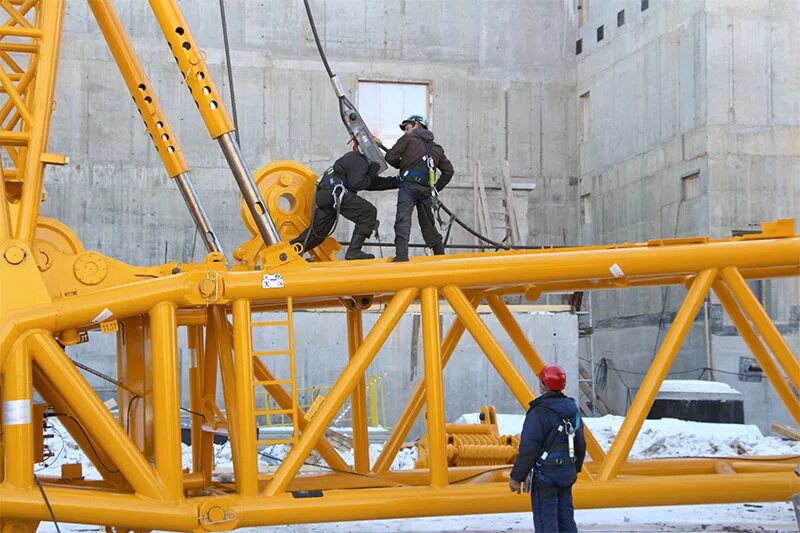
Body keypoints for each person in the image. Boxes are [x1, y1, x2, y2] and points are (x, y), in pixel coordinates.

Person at [509, 364, 586, 533]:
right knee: (566, 521)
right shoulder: (572, 410)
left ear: (543, 385)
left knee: (547, 523)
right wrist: (574, 469)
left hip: (545, 478)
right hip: (566, 474)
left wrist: (517, 477)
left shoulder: (539, 413)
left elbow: (529, 449)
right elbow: (580, 444)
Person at [384, 115, 454, 262]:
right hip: (426, 192)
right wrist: (435, 188)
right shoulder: (437, 148)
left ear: (416, 126)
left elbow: (390, 157)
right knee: (428, 225)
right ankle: (440, 258)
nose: (405, 131)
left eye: (407, 127)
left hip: (408, 187)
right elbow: (448, 171)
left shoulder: (408, 139)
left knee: (403, 221)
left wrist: (403, 165)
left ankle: (402, 258)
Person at [291, 147, 383, 260]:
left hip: (325, 195)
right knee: (368, 211)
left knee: (317, 235)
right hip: (335, 192)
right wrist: (370, 175)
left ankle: (288, 254)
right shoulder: (360, 160)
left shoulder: (353, 158)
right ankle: (354, 251)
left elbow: (369, 184)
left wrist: (395, 182)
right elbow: (356, 184)